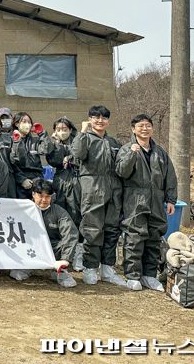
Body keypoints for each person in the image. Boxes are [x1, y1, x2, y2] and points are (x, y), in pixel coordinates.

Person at [116, 114, 178, 292]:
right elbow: (121, 172)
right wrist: (132, 154)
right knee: (135, 236)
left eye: (148, 125)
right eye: (141, 126)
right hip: (135, 199)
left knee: (154, 236)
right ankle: (133, 275)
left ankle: (149, 275)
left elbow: (170, 177)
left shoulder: (160, 152)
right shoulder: (127, 149)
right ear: (133, 129)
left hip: (157, 200)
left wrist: (171, 199)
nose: (145, 129)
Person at [71, 105, 125, 286]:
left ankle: (108, 269)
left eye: (103, 118)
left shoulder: (114, 143)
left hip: (113, 190)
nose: (100, 120)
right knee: (92, 230)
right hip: (92, 188)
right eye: (96, 117)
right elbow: (77, 154)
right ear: (90, 119)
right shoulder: (85, 139)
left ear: (108, 121)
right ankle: (90, 267)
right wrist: (82, 132)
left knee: (111, 230)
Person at [12, 178, 79, 288]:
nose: (44, 200)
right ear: (33, 194)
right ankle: (26, 267)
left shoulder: (59, 211)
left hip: (52, 249)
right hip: (29, 247)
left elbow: (70, 233)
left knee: (64, 243)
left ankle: (60, 271)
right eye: (40, 196)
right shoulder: (23, 209)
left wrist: (65, 259)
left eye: (47, 196)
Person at [39, 116, 84, 270]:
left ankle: (78, 253)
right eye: (58, 129)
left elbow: (80, 156)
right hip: (60, 183)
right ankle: (61, 254)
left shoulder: (77, 141)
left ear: (70, 130)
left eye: (64, 129)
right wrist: (55, 144)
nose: (62, 132)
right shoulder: (55, 143)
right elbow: (54, 160)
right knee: (60, 217)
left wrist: (70, 157)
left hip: (76, 182)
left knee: (76, 216)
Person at [9, 112, 46, 200]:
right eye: (24, 122)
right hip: (19, 180)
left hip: (37, 179)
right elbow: (13, 162)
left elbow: (46, 150)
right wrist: (22, 180)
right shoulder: (10, 140)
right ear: (17, 124)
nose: (27, 125)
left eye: (29, 122)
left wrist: (42, 134)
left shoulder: (35, 140)